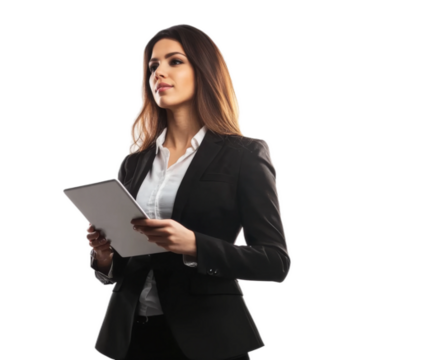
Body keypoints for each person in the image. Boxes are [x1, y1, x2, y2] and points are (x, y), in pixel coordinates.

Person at [86, 23, 291, 360]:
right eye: (152, 66)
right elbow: (122, 267)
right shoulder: (133, 164)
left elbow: (275, 262)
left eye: (174, 61)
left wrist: (194, 245)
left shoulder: (243, 155)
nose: (159, 73)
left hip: (207, 339)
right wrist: (105, 256)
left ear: (204, 71)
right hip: (129, 337)